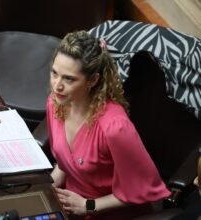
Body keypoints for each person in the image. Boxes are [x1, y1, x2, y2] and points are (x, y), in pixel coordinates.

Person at [47, 31, 171, 219]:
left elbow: (143, 190)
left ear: (93, 80)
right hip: (70, 205)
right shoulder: (55, 103)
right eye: (54, 73)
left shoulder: (115, 128)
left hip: (109, 213)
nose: (57, 86)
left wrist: (88, 205)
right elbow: (65, 164)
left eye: (69, 79)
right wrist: (46, 189)